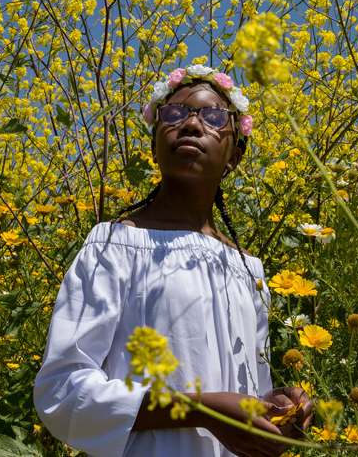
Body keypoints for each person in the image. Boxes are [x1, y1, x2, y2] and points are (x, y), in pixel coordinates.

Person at [33, 64, 313, 457]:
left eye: (215, 117)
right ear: (154, 145)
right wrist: (200, 410)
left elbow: (245, 398)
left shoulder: (248, 270)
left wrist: (278, 408)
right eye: (175, 114)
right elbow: (63, 391)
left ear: (235, 155)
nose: (192, 125)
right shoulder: (114, 247)